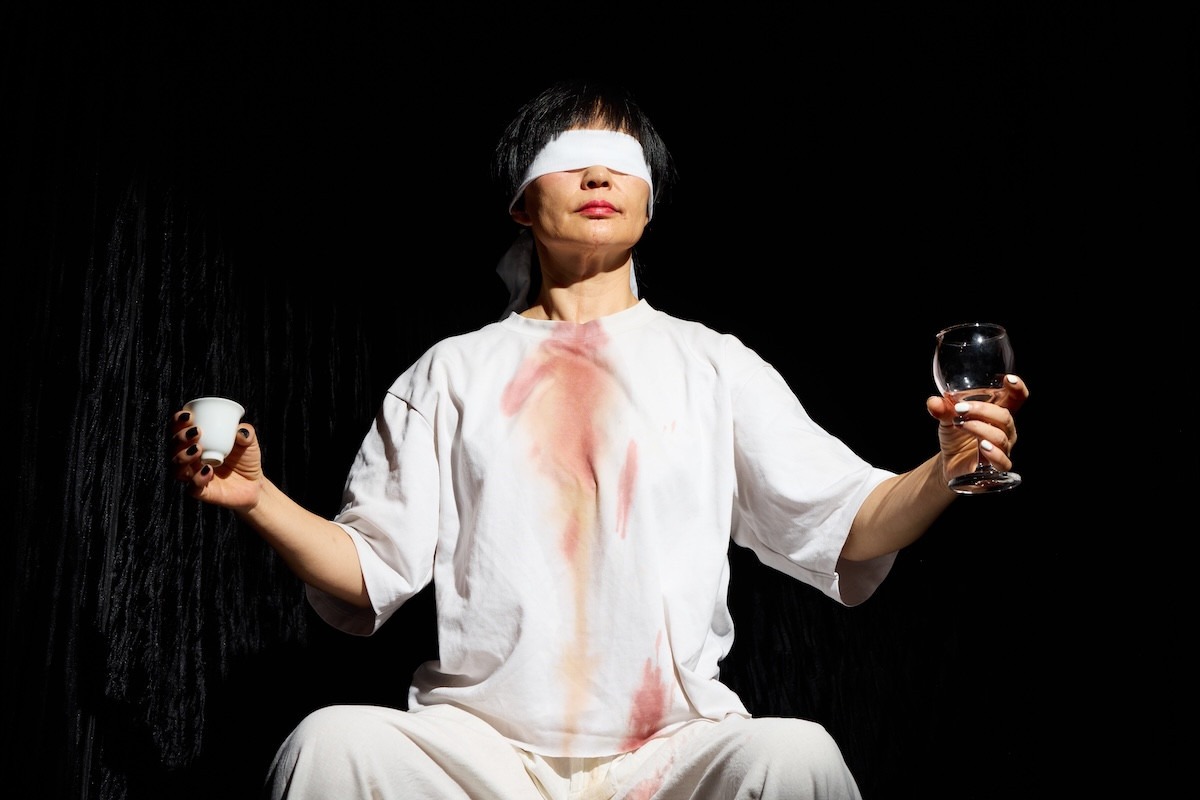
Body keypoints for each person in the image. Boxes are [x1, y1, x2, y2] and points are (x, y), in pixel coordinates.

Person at [170, 80, 1028, 800]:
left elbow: (852, 522)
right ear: (520, 203)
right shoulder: (449, 373)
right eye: (568, 158)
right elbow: (367, 572)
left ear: (650, 201)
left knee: (795, 757)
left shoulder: (713, 364)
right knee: (333, 744)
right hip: (479, 756)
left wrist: (946, 469)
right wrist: (260, 498)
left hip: (673, 750)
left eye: (623, 164)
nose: (596, 174)